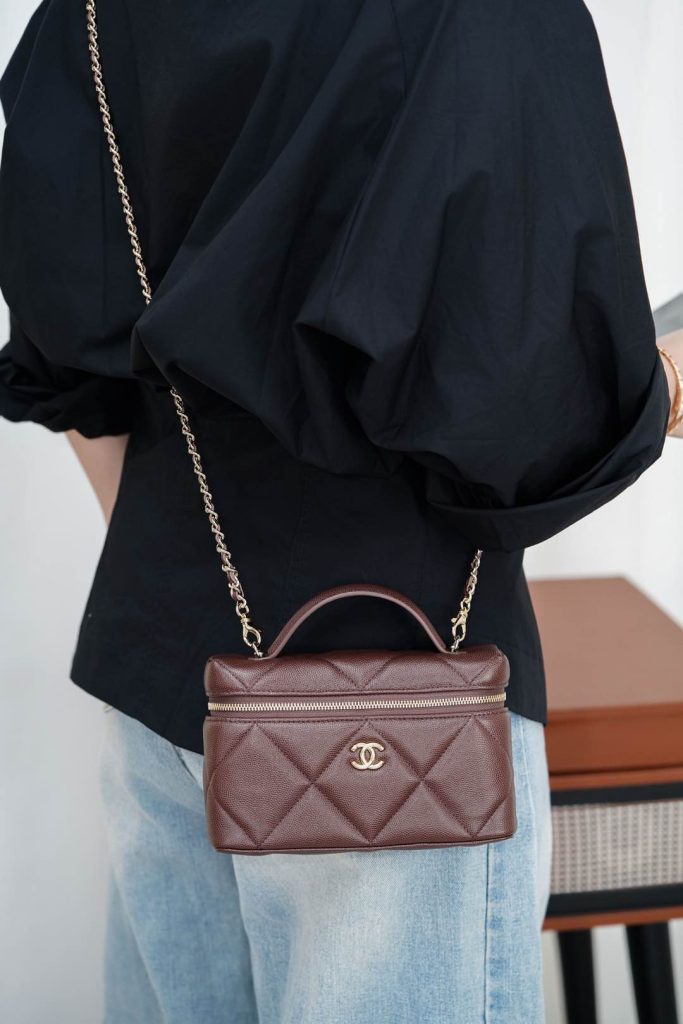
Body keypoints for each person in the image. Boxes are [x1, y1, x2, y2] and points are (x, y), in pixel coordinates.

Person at [1, 1, 681, 1021]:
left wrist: (187, 572)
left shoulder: (97, 11)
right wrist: (662, 382)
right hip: (410, 716)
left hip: (157, 654)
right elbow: (522, 412)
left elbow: (63, 332)